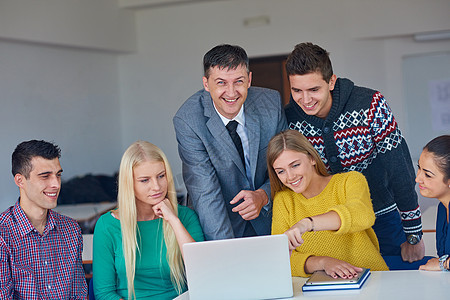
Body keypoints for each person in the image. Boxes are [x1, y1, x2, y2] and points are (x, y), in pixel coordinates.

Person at [284, 42, 425, 268]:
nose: (305, 99)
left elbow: (399, 167)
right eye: (296, 90)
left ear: (331, 81)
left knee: (391, 282)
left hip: (382, 217)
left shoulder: (370, 104)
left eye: (314, 90)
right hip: (327, 225)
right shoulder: (289, 119)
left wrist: (413, 232)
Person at [173, 44, 287, 240]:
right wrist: (225, 252)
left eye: (238, 81)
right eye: (221, 83)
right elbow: (206, 194)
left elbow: (289, 166)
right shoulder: (188, 120)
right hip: (218, 224)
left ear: (249, 79)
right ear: (206, 84)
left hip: (271, 218)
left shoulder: (271, 104)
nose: (231, 92)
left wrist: (263, 195)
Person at [268, 130, 388, 278]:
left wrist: (307, 224)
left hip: (372, 279)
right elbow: (281, 260)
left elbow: (362, 215)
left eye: (295, 165)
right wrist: (323, 262)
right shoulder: (284, 201)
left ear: (312, 158)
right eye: (281, 171)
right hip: (320, 290)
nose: (290, 177)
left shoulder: (349, 181)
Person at [93, 141, 204, 300]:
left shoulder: (186, 217)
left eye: (161, 176)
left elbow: (201, 272)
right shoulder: (107, 225)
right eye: (145, 180)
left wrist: (173, 220)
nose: (157, 187)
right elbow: (104, 293)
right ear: (129, 183)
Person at [0, 140, 87, 299]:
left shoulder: (71, 229)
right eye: (45, 176)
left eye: (58, 175)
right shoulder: (3, 235)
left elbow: (78, 294)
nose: (56, 184)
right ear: (20, 181)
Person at [416, 135, 450, 272]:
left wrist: (443, 264)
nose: (418, 178)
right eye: (419, 168)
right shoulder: (443, 207)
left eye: (428, 175)